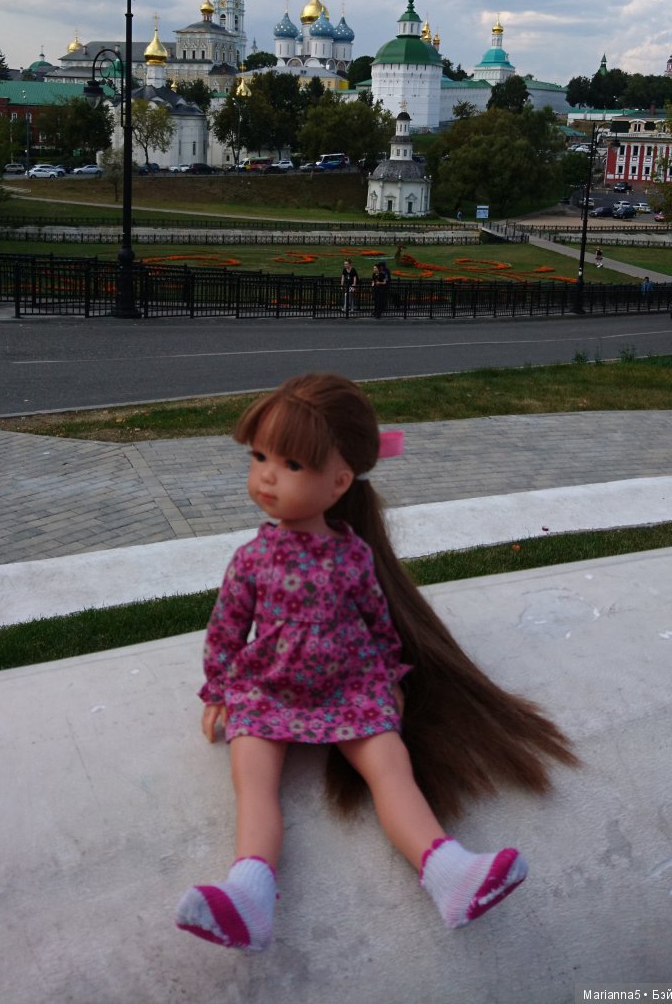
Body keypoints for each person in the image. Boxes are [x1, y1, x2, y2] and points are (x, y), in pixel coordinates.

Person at [175, 374, 577, 952]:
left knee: (391, 769)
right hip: (270, 687)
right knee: (253, 779)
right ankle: (248, 892)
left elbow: (376, 617)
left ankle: (449, 870)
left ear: (340, 482)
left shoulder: (352, 556)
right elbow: (227, 627)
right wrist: (219, 687)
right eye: (258, 457)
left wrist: (388, 673)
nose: (266, 476)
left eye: (291, 464)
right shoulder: (252, 559)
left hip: (350, 685)